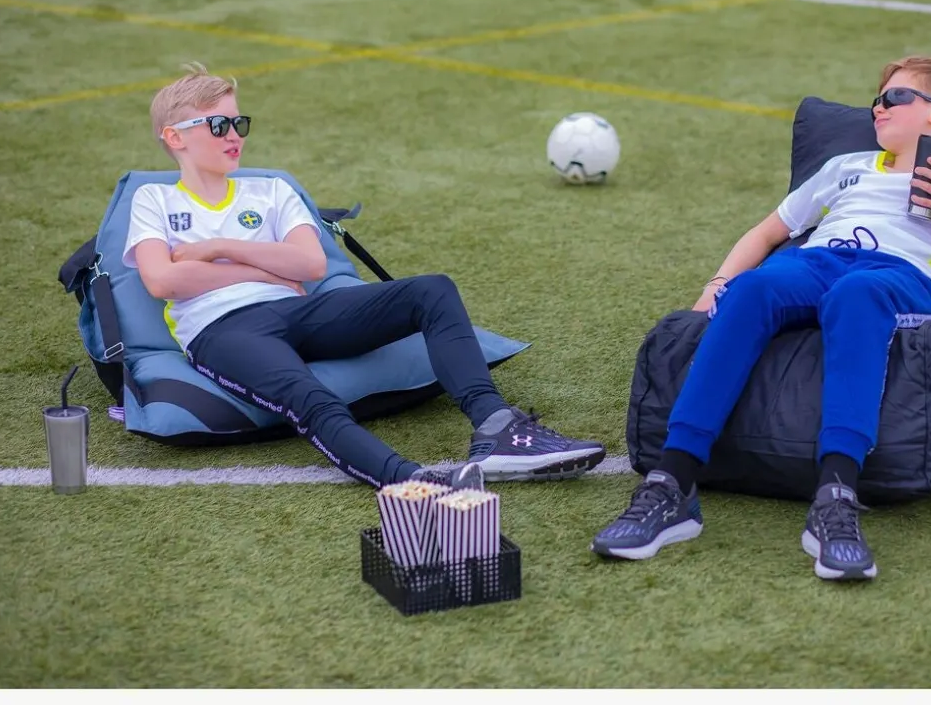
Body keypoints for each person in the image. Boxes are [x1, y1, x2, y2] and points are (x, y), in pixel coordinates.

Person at [592, 57, 931, 580]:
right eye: (876, 99)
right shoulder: (845, 167)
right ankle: (672, 484)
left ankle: (835, 498)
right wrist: (715, 287)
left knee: (856, 295)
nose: (877, 107)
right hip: (816, 261)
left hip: (895, 274)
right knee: (755, 286)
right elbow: (766, 233)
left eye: (895, 97)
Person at [125, 65, 606, 489]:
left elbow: (310, 265)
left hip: (297, 309)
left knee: (432, 289)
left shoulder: (271, 190)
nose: (234, 134)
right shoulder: (154, 200)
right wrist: (260, 267)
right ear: (175, 137)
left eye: (239, 122)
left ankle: (498, 428)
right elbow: (162, 281)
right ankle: (413, 483)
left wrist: (218, 249)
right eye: (218, 125)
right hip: (223, 330)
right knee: (311, 397)